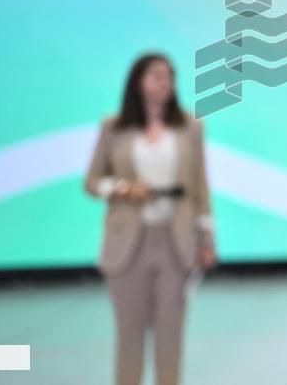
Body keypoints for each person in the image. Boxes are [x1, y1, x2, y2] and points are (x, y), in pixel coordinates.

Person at [84, 53, 217, 385]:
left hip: (175, 242)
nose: (165, 82)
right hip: (128, 244)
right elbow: (92, 182)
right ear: (138, 82)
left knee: (171, 337)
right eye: (157, 75)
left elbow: (200, 185)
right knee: (128, 337)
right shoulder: (113, 127)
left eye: (169, 76)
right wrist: (123, 188)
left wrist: (207, 237)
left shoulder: (190, 127)